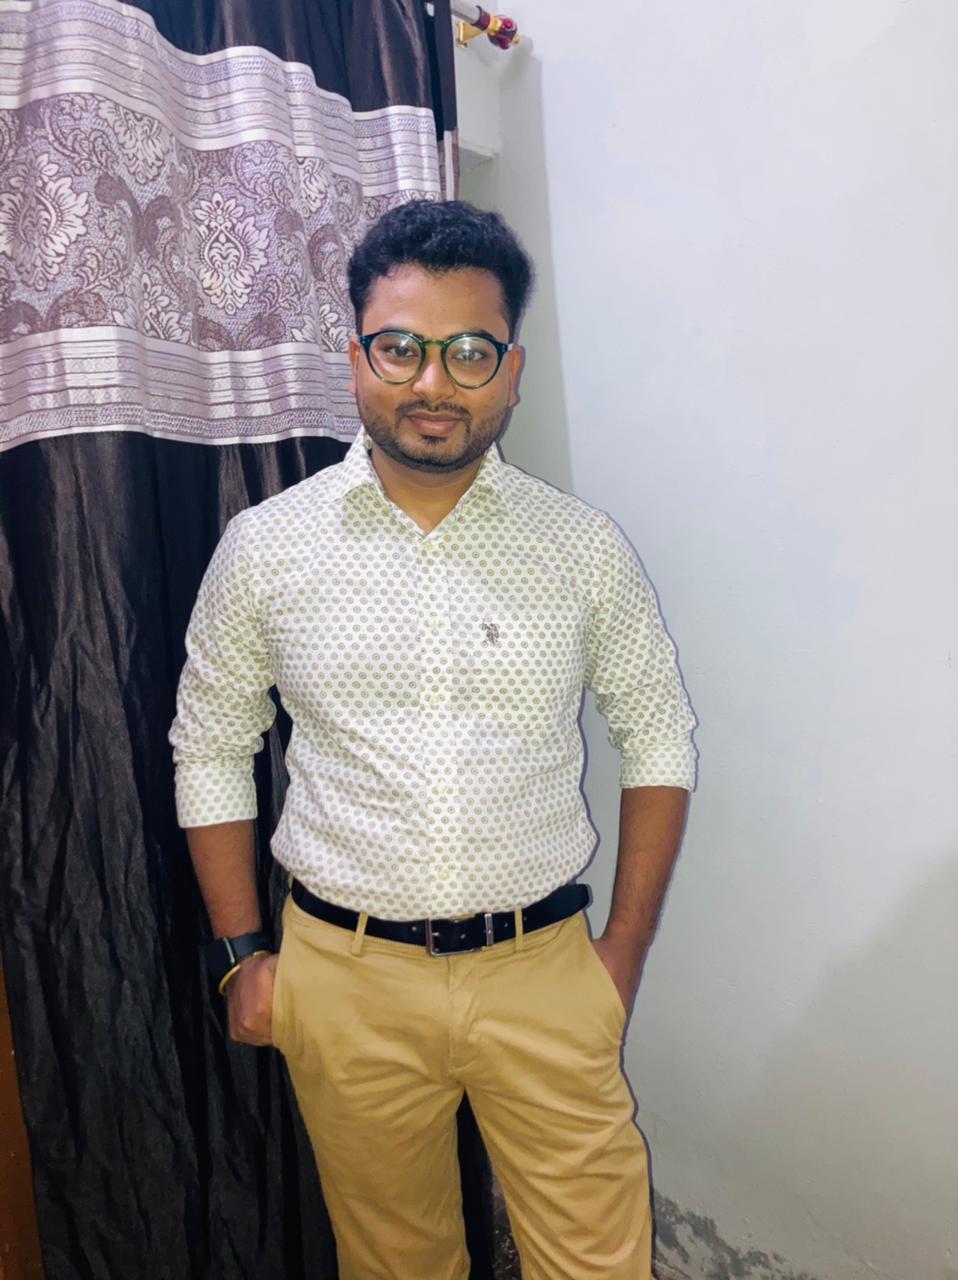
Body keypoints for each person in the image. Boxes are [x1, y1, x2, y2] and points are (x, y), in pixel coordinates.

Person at [170, 199, 696, 1280]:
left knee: (599, 1264)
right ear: (356, 354)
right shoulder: (266, 548)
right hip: (344, 977)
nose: (432, 384)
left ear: (510, 371)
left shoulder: (581, 548)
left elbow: (658, 737)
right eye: (401, 347)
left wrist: (623, 954)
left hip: (544, 967)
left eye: (469, 352)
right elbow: (211, 744)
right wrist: (240, 958)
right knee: (394, 1263)